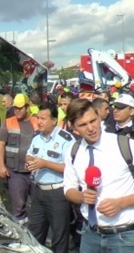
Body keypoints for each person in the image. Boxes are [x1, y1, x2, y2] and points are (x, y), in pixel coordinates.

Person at [63, 98, 134, 252]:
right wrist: (81, 197)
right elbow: (69, 189)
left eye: (93, 121)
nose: (91, 128)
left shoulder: (126, 146)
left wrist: (121, 203)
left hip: (125, 237)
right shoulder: (73, 151)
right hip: (90, 234)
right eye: (83, 125)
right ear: (73, 127)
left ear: (99, 116)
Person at [26, 102, 74, 253]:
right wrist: (30, 162)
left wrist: (46, 163)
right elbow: (28, 155)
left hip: (57, 194)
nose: (39, 122)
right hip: (38, 191)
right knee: (34, 234)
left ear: (54, 120)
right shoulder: (36, 137)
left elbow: (71, 169)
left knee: (59, 237)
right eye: (38, 118)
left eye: (43, 119)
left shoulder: (66, 139)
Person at [0, 93, 38, 224]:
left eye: (20, 108)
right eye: (15, 108)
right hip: (15, 172)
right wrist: (2, 166)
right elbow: (0, 144)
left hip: (35, 172)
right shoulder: (8, 123)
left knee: (38, 206)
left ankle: (37, 233)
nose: (17, 111)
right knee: (18, 206)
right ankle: (21, 230)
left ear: (27, 107)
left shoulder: (36, 122)